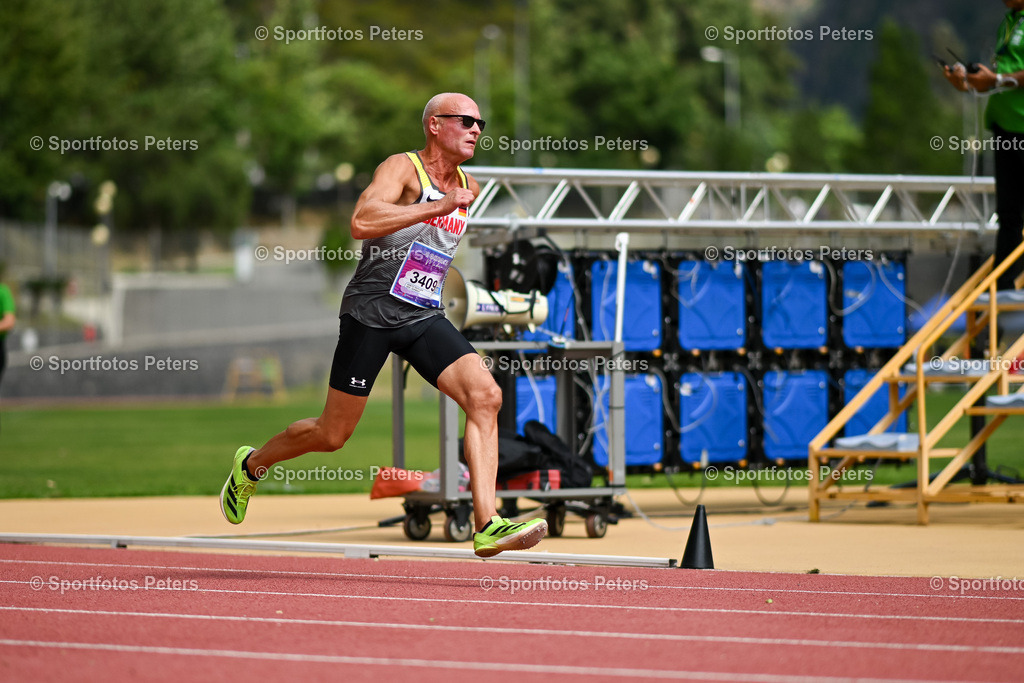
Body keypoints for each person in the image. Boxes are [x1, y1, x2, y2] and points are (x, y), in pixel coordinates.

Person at [219, 92, 547, 557]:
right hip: (371, 312)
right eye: (466, 120)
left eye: (481, 123)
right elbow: (361, 220)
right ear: (435, 125)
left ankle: (487, 522)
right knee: (332, 435)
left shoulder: (466, 185)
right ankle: (251, 464)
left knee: (486, 396)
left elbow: (430, 255)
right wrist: (436, 206)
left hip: (422, 314)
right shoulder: (402, 168)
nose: (476, 129)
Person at [944, 0, 1024, 290]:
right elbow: (999, 77)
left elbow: (1003, 78)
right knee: (1009, 214)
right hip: (1005, 126)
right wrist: (969, 81)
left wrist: (998, 79)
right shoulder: (1010, 20)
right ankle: (1002, 290)